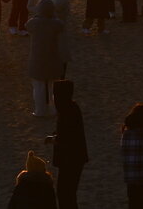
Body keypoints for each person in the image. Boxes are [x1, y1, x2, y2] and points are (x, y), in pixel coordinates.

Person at [49, 80, 88, 209]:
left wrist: (54, 140)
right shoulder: (71, 108)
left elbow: (65, 139)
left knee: (65, 195)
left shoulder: (67, 112)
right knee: (68, 195)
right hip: (75, 159)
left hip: (71, 160)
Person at [25, 0, 65, 117]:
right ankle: (53, 109)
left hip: (37, 58)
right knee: (52, 86)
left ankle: (40, 111)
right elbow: (61, 25)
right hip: (52, 57)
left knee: (38, 86)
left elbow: (27, 25)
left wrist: (38, 16)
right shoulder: (55, 23)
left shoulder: (34, 22)